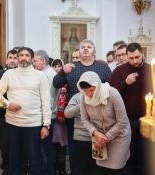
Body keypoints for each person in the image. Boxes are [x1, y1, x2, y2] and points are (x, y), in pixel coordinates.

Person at [53, 39, 112, 175]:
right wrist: (62, 72)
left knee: (97, 149)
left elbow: (111, 90)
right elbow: (56, 84)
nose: (85, 49)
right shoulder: (71, 67)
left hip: (98, 116)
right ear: (78, 52)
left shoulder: (103, 68)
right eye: (82, 47)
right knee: (75, 151)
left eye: (89, 47)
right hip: (75, 115)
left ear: (94, 52)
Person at [0, 47, 51, 175]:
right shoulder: (9, 74)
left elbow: (46, 101)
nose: (23, 57)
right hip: (13, 123)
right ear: (17, 58)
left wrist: (46, 125)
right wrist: (8, 104)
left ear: (32, 59)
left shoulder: (40, 75)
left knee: (34, 159)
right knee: (14, 158)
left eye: (26, 55)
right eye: (20, 55)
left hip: (33, 123)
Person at [110, 43, 152, 175]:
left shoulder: (151, 69)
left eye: (137, 57)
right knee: (128, 153)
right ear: (127, 57)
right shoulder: (119, 71)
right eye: (131, 58)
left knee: (145, 153)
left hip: (147, 119)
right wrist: (125, 83)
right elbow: (112, 93)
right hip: (126, 119)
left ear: (143, 54)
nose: (134, 61)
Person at [78, 71, 131, 175]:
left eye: (91, 90)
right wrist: (97, 134)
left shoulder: (113, 93)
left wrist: (106, 138)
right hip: (99, 136)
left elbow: (122, 121)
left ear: (97, 86)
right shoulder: (83, 97)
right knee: (102, 170)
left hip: (119, 135)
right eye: (85, 91)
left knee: (116, 169)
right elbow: (84, 120)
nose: (89, 94)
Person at [0, 49, 29, 175]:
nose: (13, 60)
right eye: (10, 57)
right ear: (6, 59)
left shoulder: (24, 74)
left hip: (22, 114)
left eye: (15, 57)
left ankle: (22, 168)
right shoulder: (0, 74)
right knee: (5, 144)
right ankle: (6, 168)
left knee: (23, 143)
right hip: (3, 114)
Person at [33, 50, 59, 175]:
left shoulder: (49, 75)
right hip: (42, 116)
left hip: (47, 117)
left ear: (43, 61)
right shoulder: (43, 74)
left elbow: (48, 98)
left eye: (35, 61)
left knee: (46, 150)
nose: (33, 64)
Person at [51, 59, 68, 175]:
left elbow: (66, 97)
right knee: (52, 141)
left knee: (62, 141)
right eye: (55, 66)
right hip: (52, 115)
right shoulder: (50, 80)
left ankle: (62, 165)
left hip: (63, 117)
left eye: (59, 66)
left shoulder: (65, 79)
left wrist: (61, 112)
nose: (57, 68)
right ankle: (53, 165)